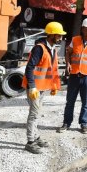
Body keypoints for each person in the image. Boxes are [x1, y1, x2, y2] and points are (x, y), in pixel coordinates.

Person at [21, 21, 65, 154]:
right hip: (34, 88)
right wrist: (32, 87)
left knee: (37, 114)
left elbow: (53, 69)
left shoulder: (52, 49)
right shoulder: (39, 48)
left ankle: (36, 137)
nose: (60, 38)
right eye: (58, 35)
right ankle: (30, 142)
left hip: (43, 87)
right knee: (33, 114)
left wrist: (54, 85)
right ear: (51, 35)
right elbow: (29, 67)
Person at [59, 17, 87, 134]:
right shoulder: (75, 40)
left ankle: (83, 124)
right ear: (82, 29)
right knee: (70, 101)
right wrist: (67, 64)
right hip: (74, 75)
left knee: (86, 102)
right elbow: (68, 52)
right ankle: (66, 123)